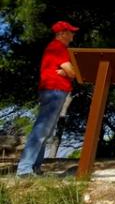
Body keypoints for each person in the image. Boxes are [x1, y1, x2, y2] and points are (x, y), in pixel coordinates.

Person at [16, 21, 78, 177]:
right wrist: (69, 72)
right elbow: (71, 72)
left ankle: (35, 167)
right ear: (62, 33)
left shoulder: (57, 48)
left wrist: (66, 72)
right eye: (70, 32)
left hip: (54, 90)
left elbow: (67, 71)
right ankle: (24, 169)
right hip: (54, 90)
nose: (73, 34)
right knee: (41, 130)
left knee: (46, 131)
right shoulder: (58, 48)